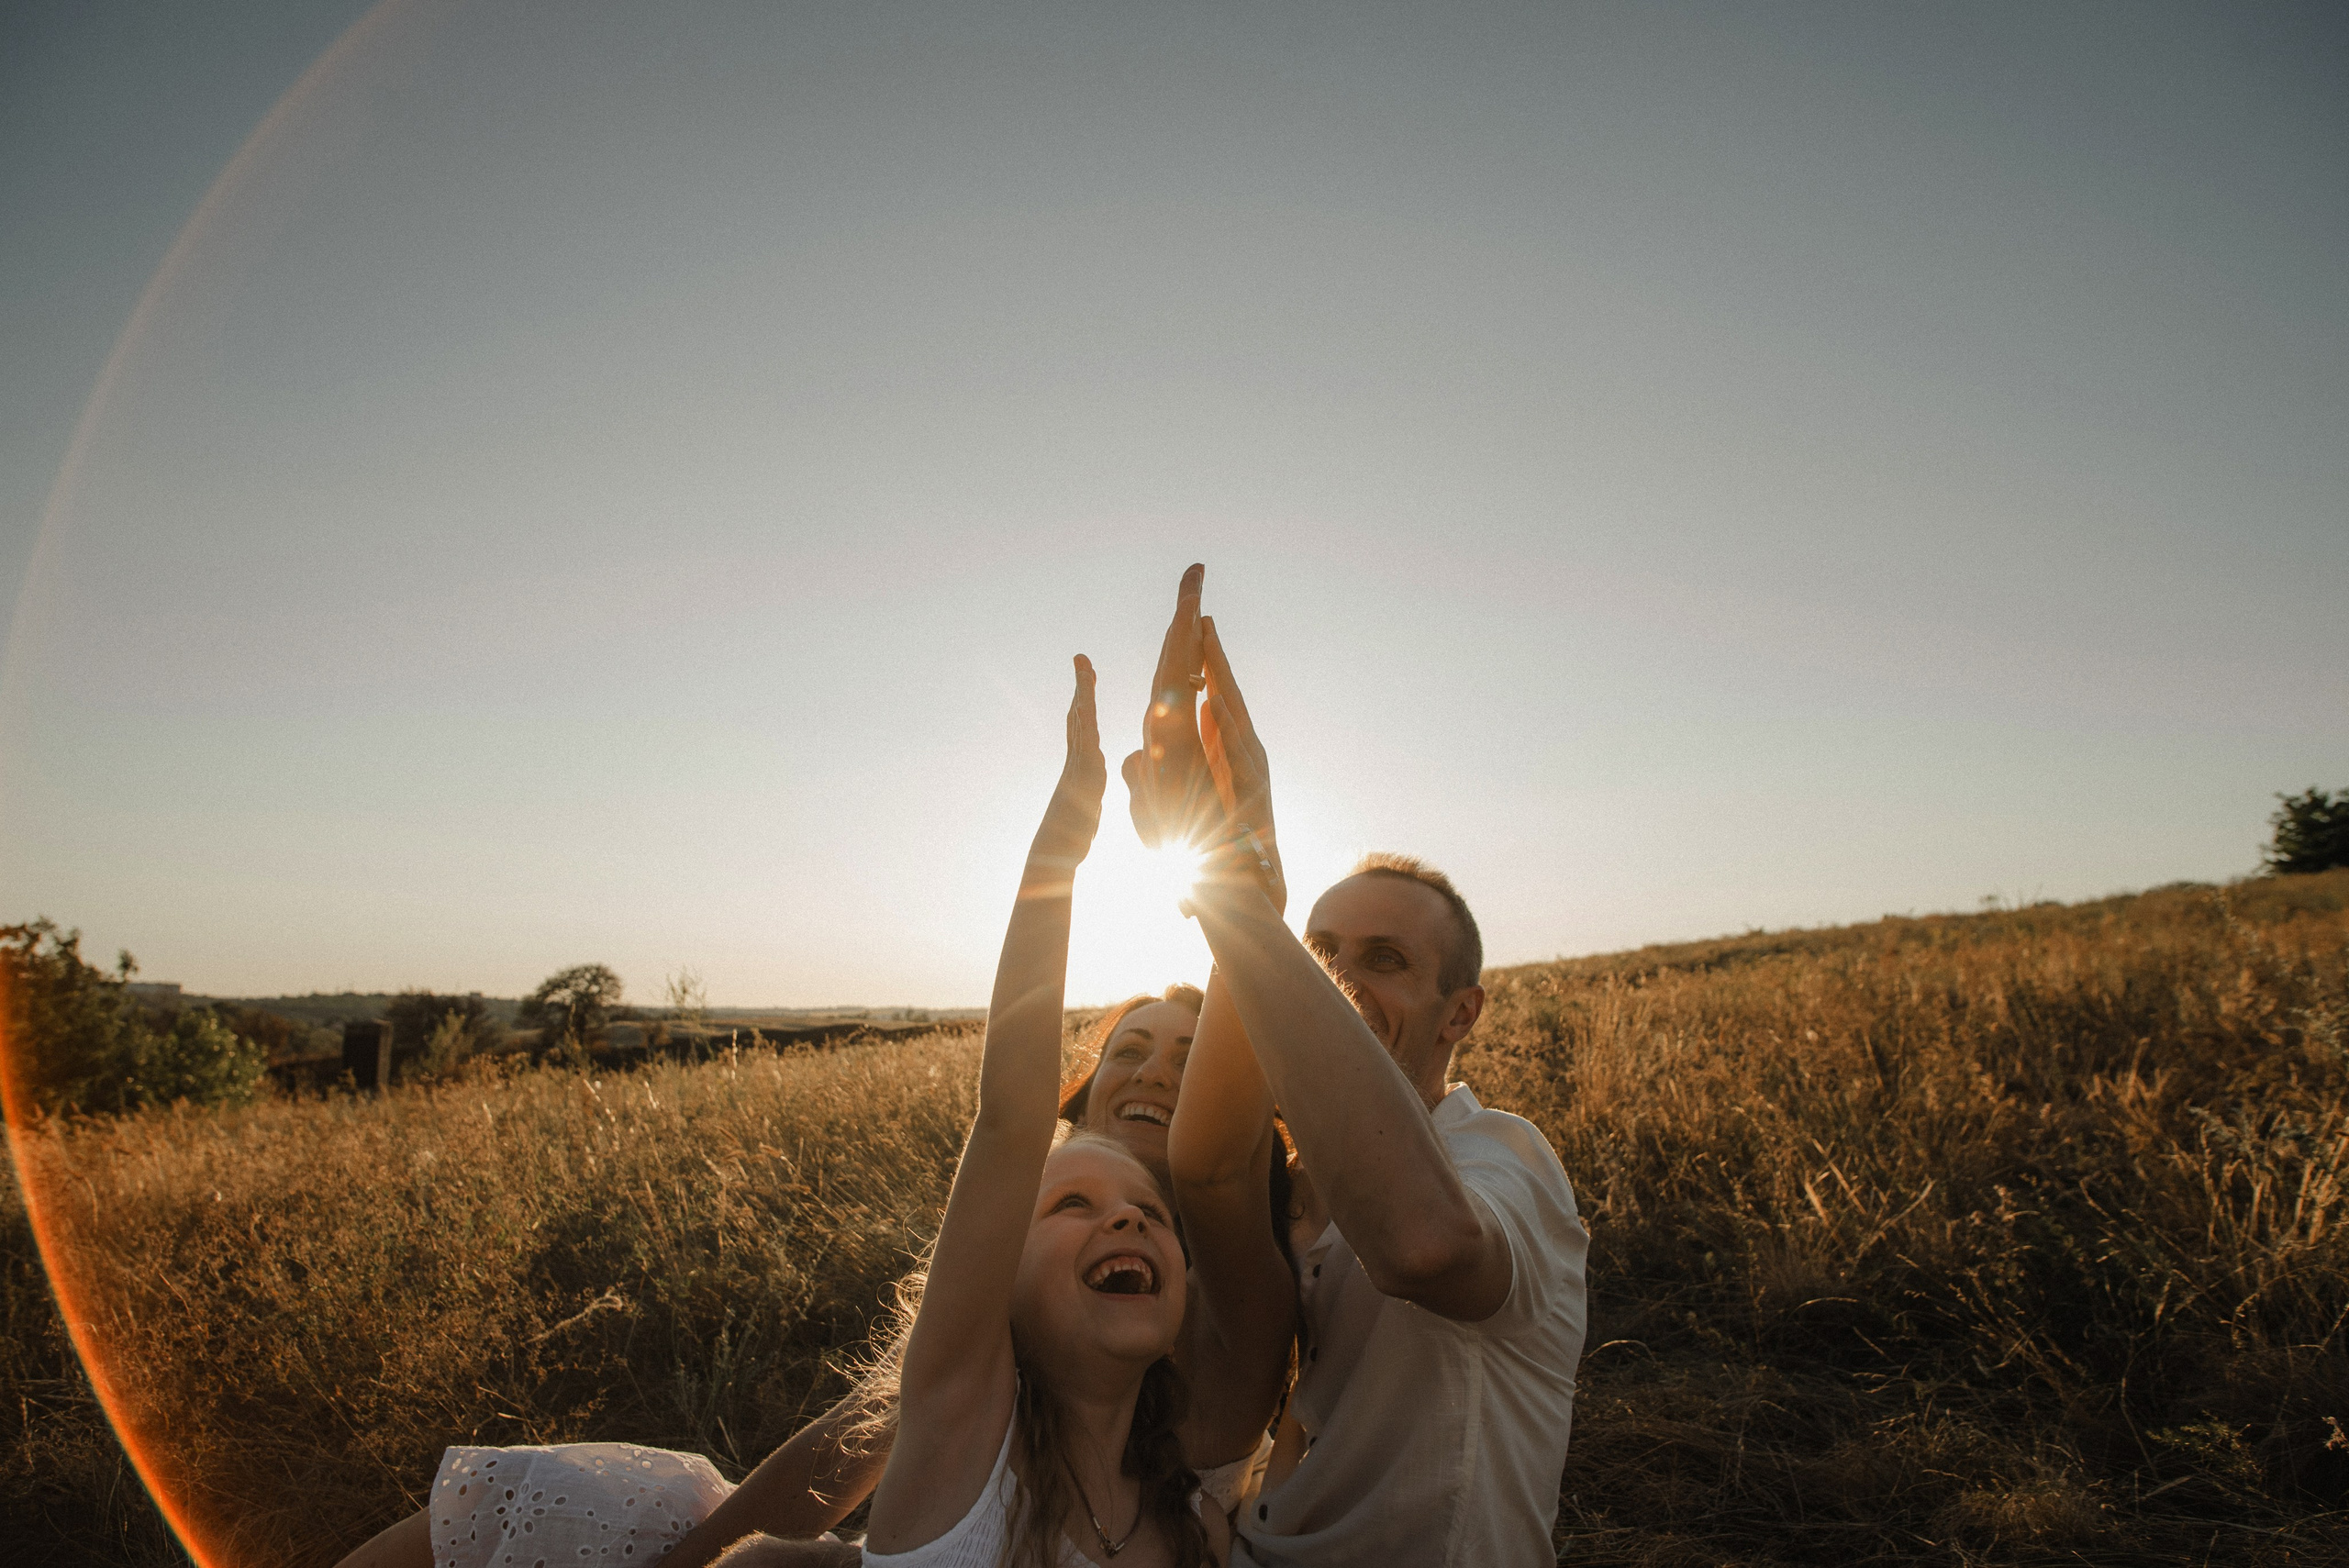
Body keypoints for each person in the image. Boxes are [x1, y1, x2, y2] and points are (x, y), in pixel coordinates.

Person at [335, 658, 1292, 1568]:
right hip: (898, 1520)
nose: (1155, 1073)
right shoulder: (982, 1342)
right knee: (502, 1517)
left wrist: (1241, 862)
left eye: (1189, 1054)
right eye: (1130, 1048)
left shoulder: (1218, 1334)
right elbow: (1000, 1130)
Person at [1134, 570, 1590, 1567]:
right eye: (1320, 950)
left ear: (1458, 1012)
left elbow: (1423, 1244)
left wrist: (1246, 905)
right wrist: (1236, 867)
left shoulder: (1501, 1157)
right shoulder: (1293, 1184)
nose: (1338, 980)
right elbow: (1207, 1169)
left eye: (1384, 960)